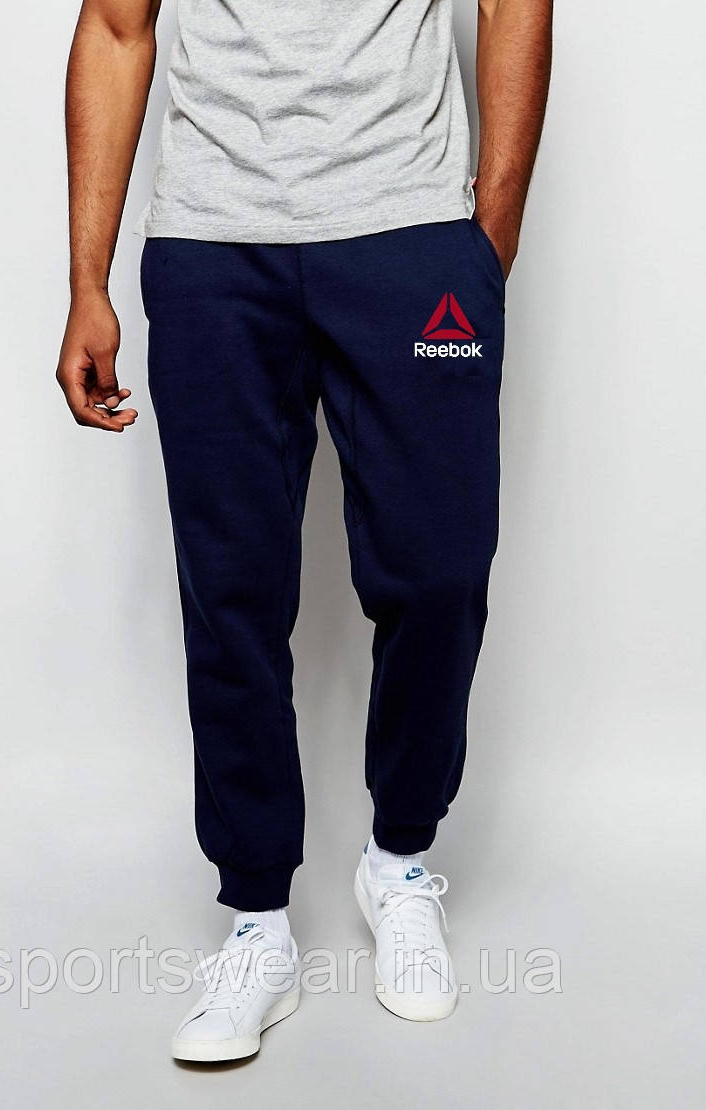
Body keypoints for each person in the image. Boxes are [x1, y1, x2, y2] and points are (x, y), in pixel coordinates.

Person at [56, 0, 552, 1062]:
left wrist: (491, 229)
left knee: (439, 571)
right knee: (229, 594)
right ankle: (256, 921)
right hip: (212, 244)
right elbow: (114, 28)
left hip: (408, 229)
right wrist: (87, 281)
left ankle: (399, 860)